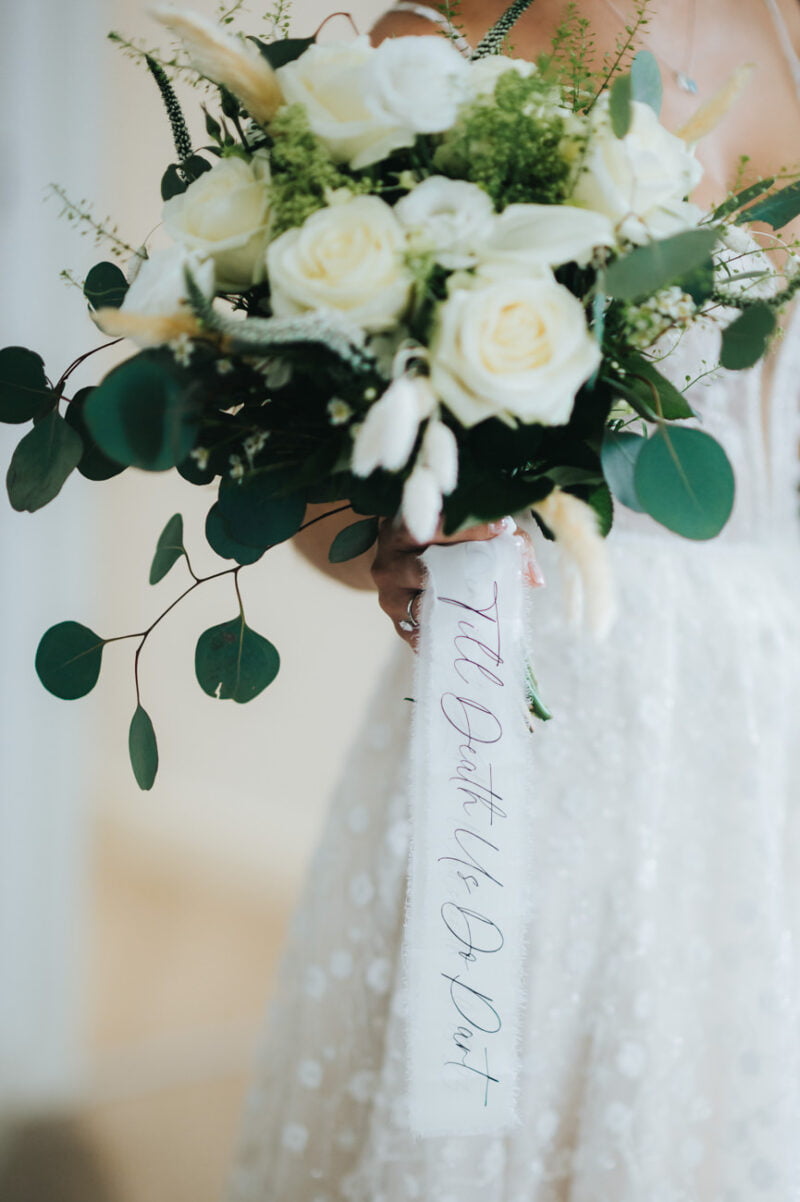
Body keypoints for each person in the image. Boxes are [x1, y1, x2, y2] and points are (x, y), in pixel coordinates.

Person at [226, 2, 800, 1199]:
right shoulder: (443, 45)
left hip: (761, 751)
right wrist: (393, 540)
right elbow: (313, 506)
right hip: (530, 733)